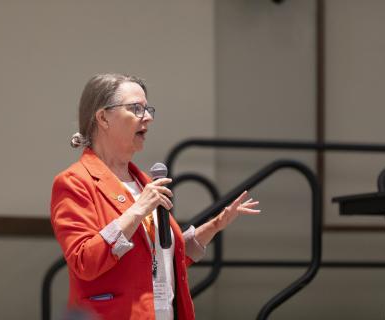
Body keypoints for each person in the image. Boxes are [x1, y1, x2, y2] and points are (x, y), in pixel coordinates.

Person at [50, 74, 260, 320]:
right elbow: (84, 261)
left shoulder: (143, 183)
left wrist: (215, 225)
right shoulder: (75, 181)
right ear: (103, 117)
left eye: (147, 109)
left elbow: (159, 261)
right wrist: (137, 210)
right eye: (136, 109)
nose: (147, 117)